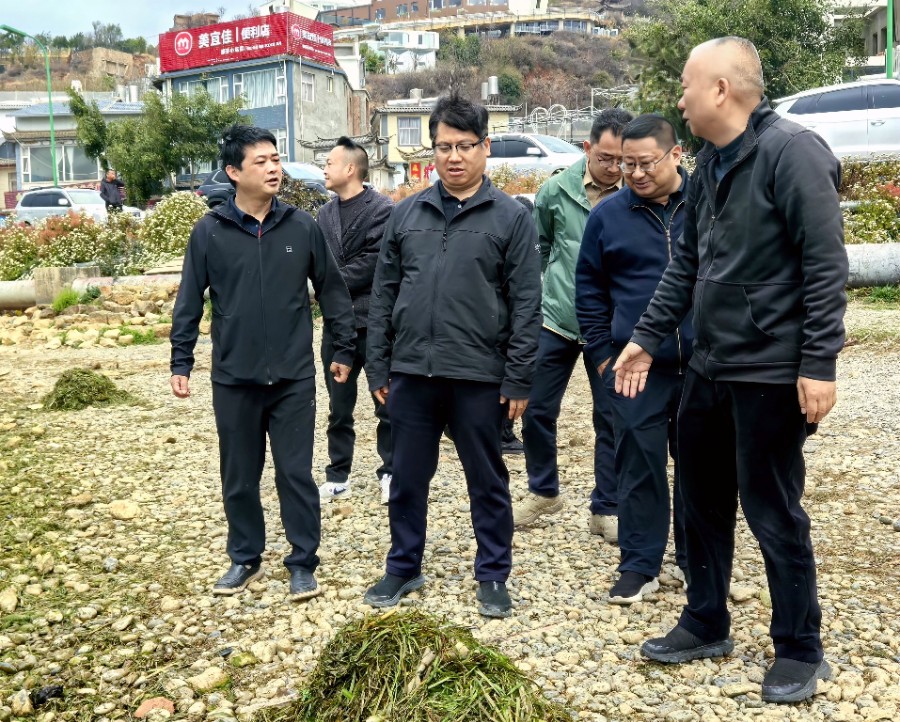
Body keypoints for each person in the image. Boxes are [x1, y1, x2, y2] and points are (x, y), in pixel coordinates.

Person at [613, 38, 847, 703]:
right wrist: (646, 339)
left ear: (721, 90)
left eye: (688, 85)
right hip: (709, 364)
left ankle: (800, 645)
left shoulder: (792, 153)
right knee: (701, 499)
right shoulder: (713, 164)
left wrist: (819, 363)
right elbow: (685, 266)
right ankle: (706, 620)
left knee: (771, 506)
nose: (679, 97)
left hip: (770, 369)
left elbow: (826, 266)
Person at [363, 94, 542, 618]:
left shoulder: (511, 218)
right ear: (432, 151)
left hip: (479, 374)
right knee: (406, 476)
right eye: (444, 147)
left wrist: (518, 378)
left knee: (487, 480)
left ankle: (492, 574)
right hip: (412, 372)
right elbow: (383, 294)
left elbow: (527, 303)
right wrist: (380, 363)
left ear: (486, 147)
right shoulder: (405, 215)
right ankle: (403, 566)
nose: (454, 157)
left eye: (465, 146)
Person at [169, 125, 357, 602]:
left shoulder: (301, 226)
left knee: (295, 473)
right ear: (234, 172)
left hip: (293, 377)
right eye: (261, 161)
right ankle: (245, 557)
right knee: (239, 474)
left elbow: (332, 291)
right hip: (234, 378)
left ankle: (302, 562)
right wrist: (181, 360)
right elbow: (189, 299)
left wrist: (344, 350)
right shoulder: (209, 232)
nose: (274, 168)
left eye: (276, 158)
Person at [575, 114, 691, 605]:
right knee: (639, 464)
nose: (636, 174)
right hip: (632, 369)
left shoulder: (707, 204)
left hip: (703, 364)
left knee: (700, 466)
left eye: (646, 163)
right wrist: (603, 354)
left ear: (676, 154)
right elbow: (589, 290)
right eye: (627, 165)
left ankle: (696, 560)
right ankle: (640, 563)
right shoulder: (608, 216)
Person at [512, 108, 633, 541]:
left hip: (611, 327)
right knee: (536, 410)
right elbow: (541, 249)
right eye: (606, 158)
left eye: (622, 159)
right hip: (558, 320)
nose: (615, 167)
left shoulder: (634, 195)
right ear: (588, 149)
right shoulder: (556, 191)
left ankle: (607, 506)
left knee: (612, 416)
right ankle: (543, 490)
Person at [316, 137, 395, 505]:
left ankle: (391, 472)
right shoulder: (325, 213)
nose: (324, 169)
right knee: (338, 406)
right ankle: (337, 475)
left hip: (375, 324)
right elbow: (317, 262)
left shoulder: (381, 209)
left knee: (387, 403)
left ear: (350, 168)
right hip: (336, 327)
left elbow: (376, 261)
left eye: (329, 163)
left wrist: (328, 284)